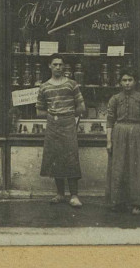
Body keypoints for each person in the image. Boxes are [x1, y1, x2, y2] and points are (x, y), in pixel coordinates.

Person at [36, 53, 86, 207]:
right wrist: (53, 114)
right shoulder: (44, 87)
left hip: (68, 124)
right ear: (49, 66)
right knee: (55, 158)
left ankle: (74, 195)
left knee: (71, 157)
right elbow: (39, 111)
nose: (58, 67)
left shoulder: (72, 84)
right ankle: (60, 194)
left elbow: (82, 107)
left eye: (60, 64)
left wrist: (67, 115)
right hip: (53, 125)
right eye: (55, 64)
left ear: (64, 66)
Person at [106, 68, 140, 215]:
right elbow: (109, 121)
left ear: (135, 81)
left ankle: (136, 203)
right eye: (124, 80)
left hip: (137, 134)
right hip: (118, 135)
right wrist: (109, 141)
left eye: (130, 80)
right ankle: (117, 202)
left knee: (136, 168)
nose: (127, 83)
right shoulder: (115, 99)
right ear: (120, 82)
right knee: (118, 167)